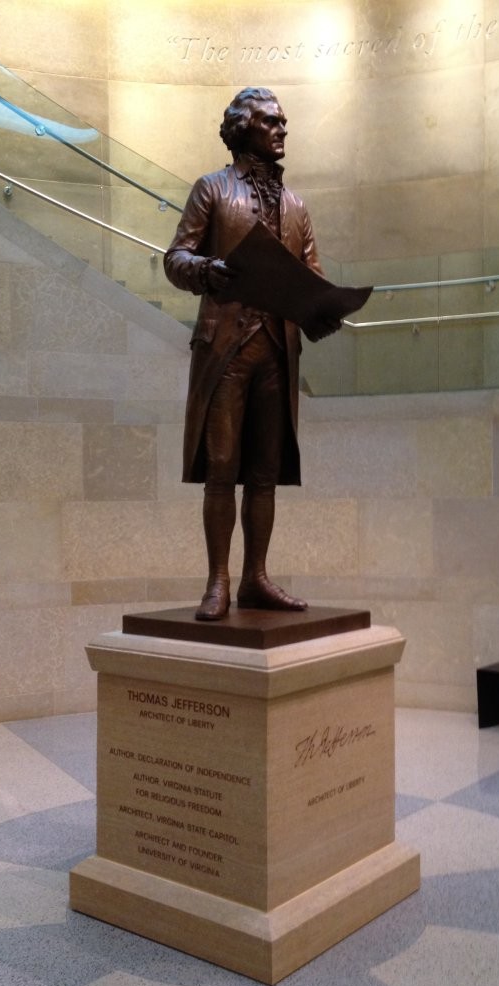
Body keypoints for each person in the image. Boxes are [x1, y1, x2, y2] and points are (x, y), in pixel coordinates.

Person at [164, 87, 339, 621]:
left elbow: (311, 275)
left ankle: (255, 577)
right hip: (226, 347)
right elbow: (175, 258)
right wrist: (205, 269)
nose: (282, 129)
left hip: (277, 352)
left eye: (283, 121)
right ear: (245, 128)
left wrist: (324, 308)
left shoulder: (296, 205)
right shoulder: (212, 189)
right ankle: (218, 580)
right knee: (222, 466)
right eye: (271, 121)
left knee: (265, 471)